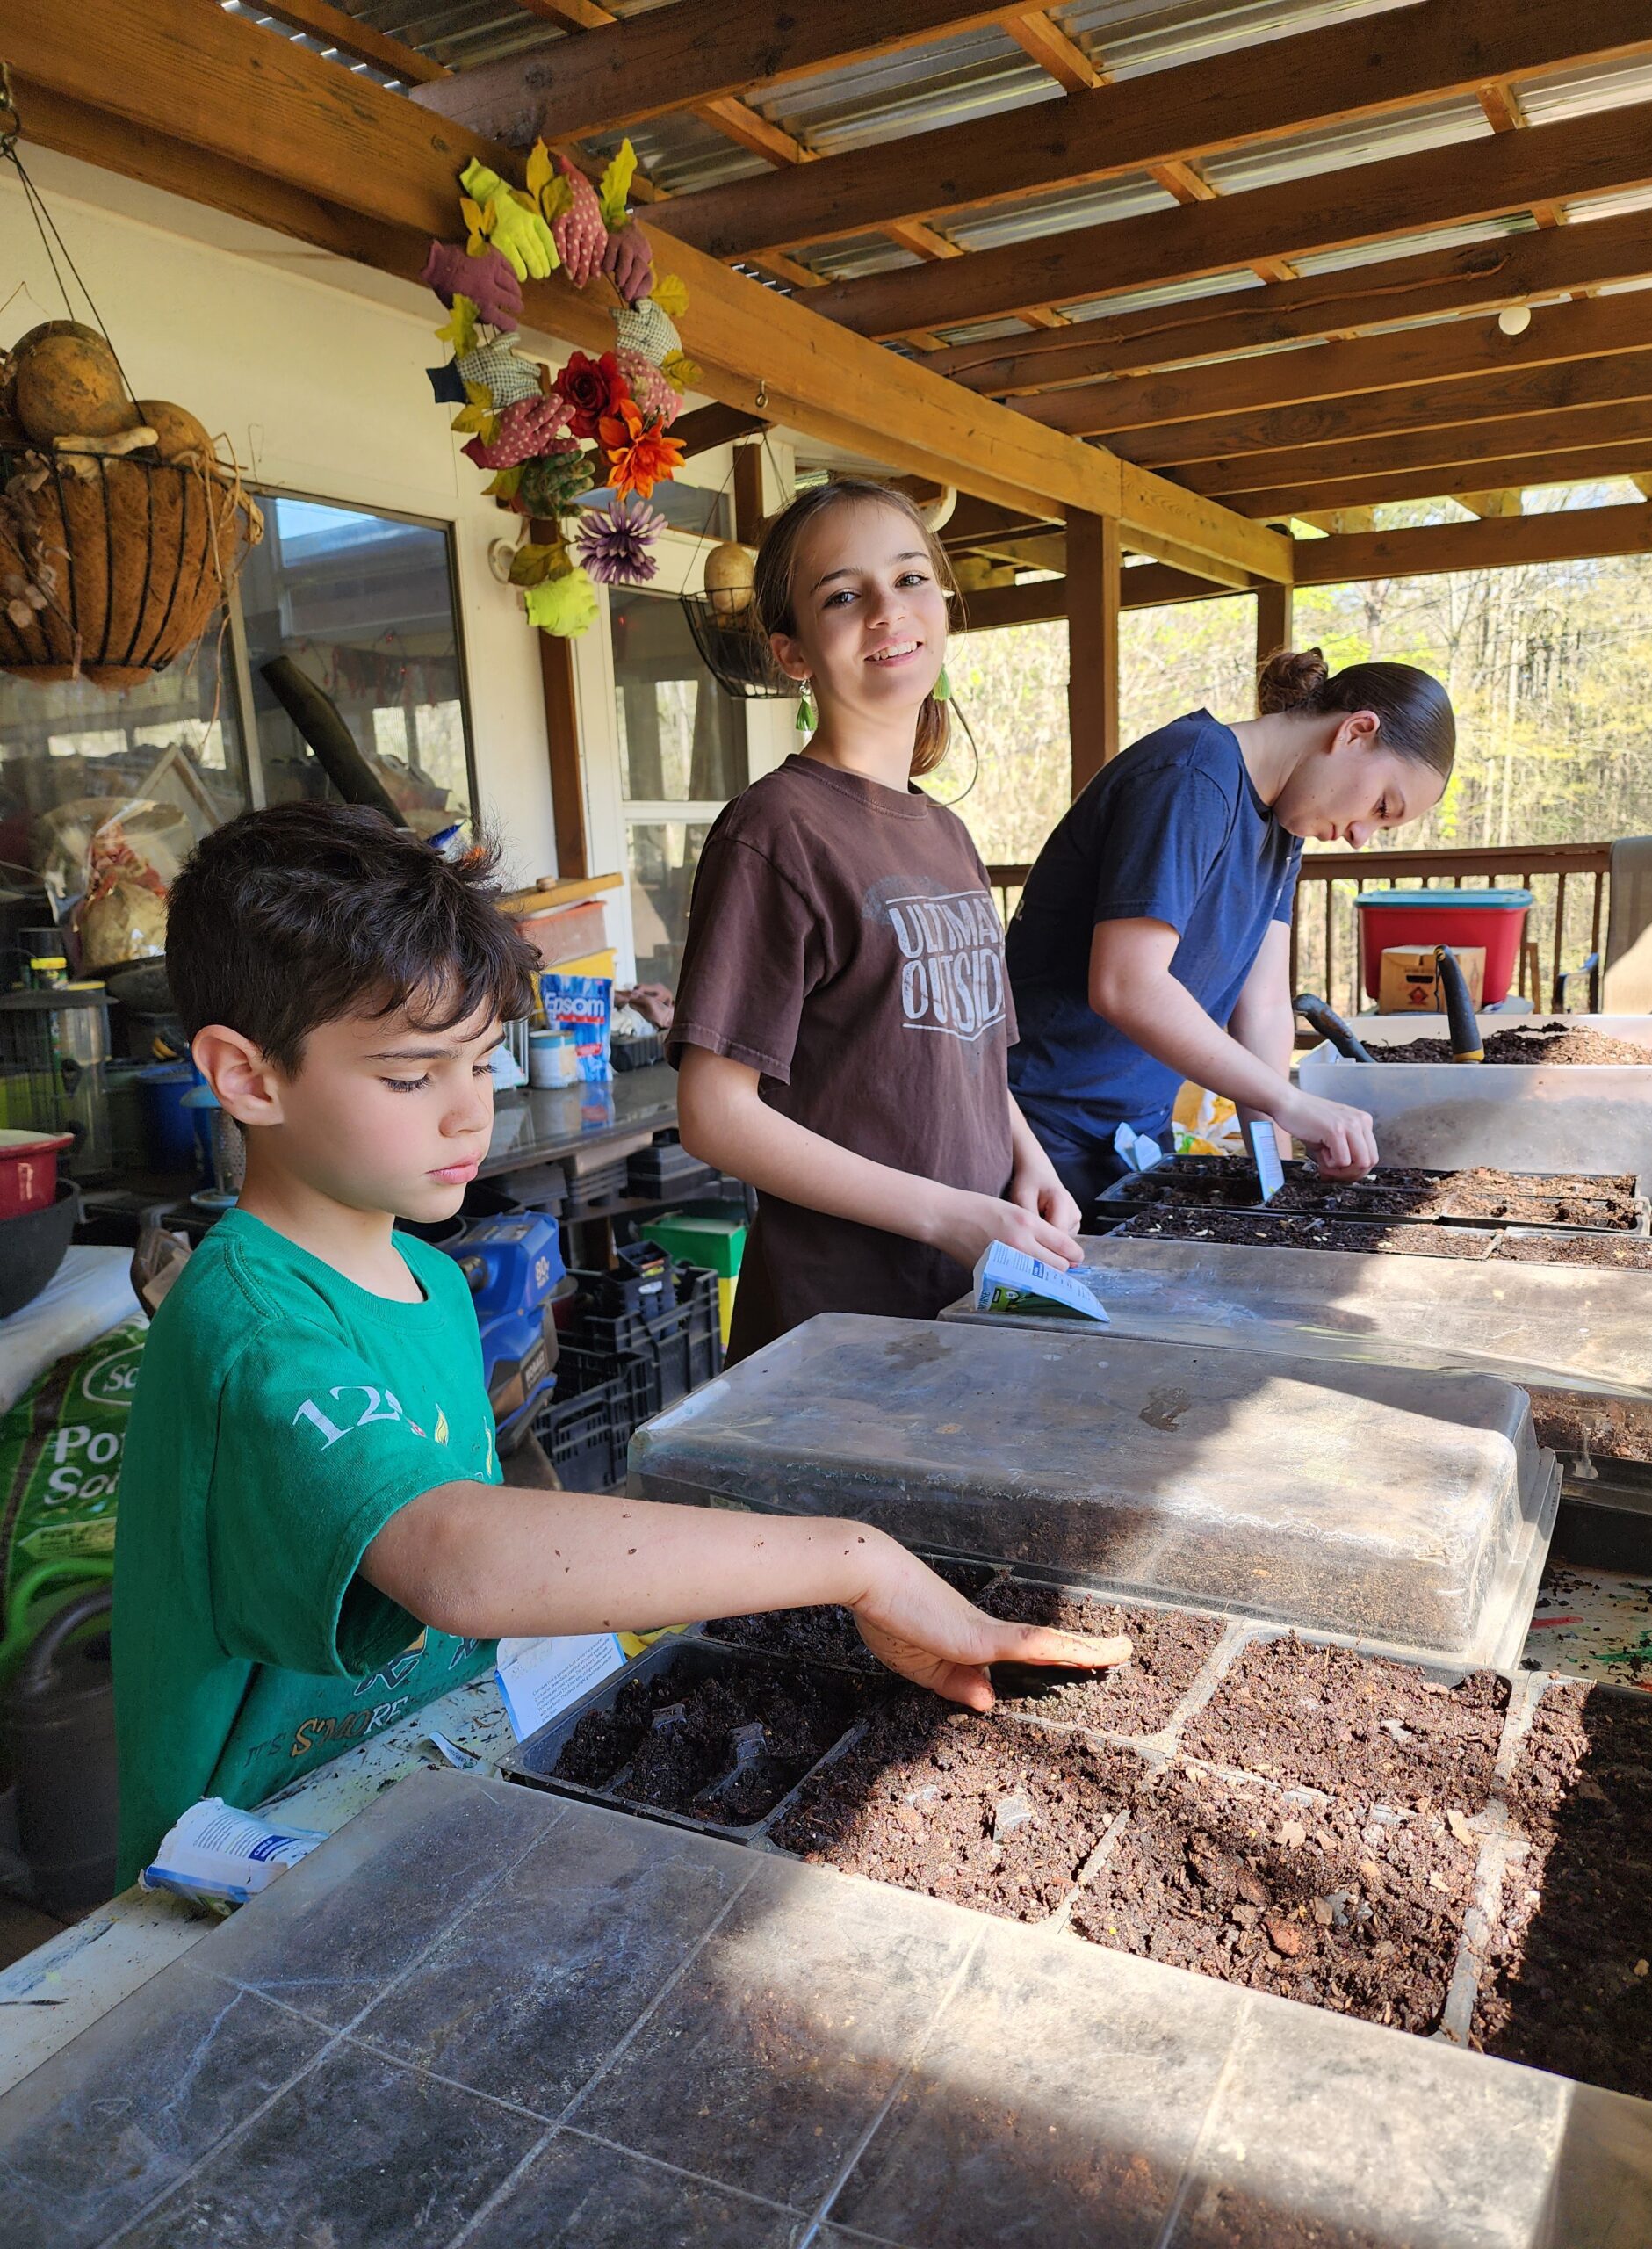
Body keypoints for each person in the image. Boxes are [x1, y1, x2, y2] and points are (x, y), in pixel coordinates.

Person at [110, 806, 1129, 1885]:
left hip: (412, 1798)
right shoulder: (251, 1329)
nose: (470, 1116)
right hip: (249, 1867)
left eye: (483, 1063)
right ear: (248, 1076)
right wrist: (852, 1560)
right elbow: (453, 1555)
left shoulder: (432, 1281)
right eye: (411, 1077)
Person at [671, 479, 1082, 1362]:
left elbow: (964, 1053)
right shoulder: (776, 830)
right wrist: (951, 1215)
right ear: (791, 654)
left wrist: (1029, 1162)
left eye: (909, 580)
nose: (887, 611)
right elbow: (713, 1113)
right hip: (840, 1332)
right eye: (843, 595)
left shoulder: (946, 832)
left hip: (969, 1299)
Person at [1006, 648, 1456, 1211]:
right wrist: (1291, 1103)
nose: (1362, 835)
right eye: (1382, 805)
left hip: (1129, 1134)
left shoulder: (1285, 828)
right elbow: (1127, 984)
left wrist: (1280, 1168)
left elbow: (1263, 1005)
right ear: (1356, 732)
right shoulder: (1190, 777)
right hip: (1036, 1130)